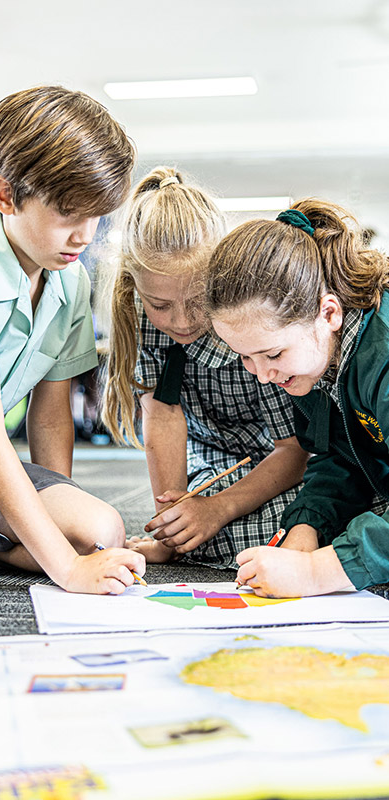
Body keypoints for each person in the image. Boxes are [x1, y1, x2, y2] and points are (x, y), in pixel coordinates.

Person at [0, 85, 146, 594]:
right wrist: (68, 569)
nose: (85, 236)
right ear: (5, 196)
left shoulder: (69, 278)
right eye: (69, 214)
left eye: (97, 216)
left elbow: (51, 411)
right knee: (89, 536)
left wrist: (58, 503)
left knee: (93, 534)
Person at [101, 166, 307, 567]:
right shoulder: (138, 316)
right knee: (191, 531)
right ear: (135, 288)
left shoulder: (247, 314)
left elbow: (293, 450)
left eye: (197, 300)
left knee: (297, 520)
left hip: (281, 461)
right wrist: (171, 528)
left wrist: (219, 508)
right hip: (212, 461)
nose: (181, 322)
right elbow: (163, 419)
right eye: (160, 305)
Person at [206, 199, 389, 597]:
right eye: (245, 356)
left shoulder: (383, 353)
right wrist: (306, 529)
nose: (262, 374)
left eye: (272, 354)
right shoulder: (310, 362)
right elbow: (340, 456)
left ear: (329, 313)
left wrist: (316, 571)